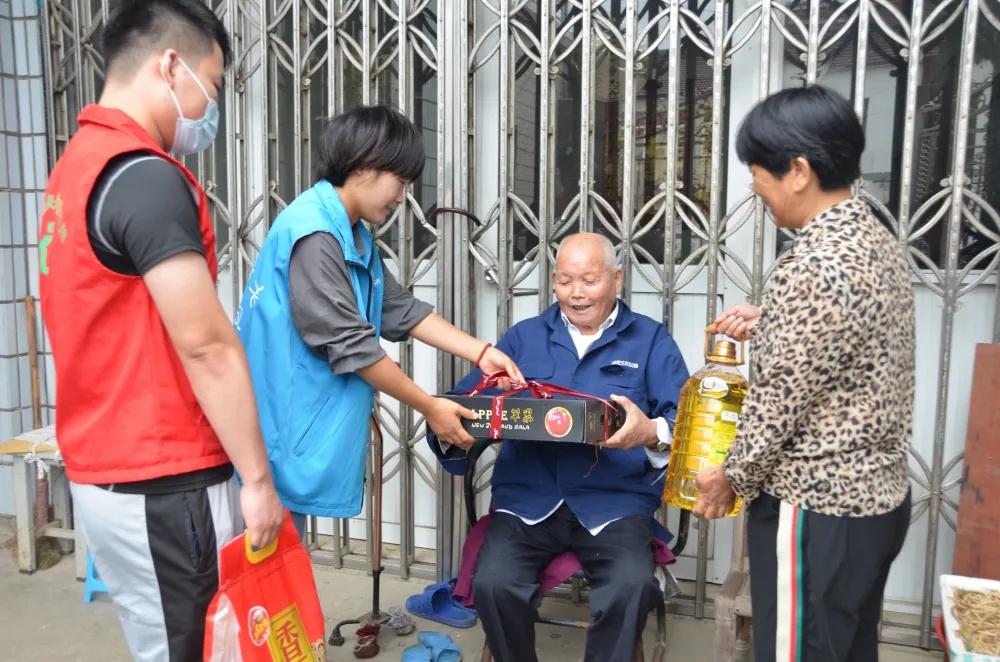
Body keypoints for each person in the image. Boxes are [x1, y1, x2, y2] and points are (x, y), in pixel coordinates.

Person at [37, 1, 284, 659]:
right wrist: (257, 482)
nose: (210, 107)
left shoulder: (74, 170)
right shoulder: (144, 177)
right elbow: (205, 345)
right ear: (170, 65)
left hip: (108, 468)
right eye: (212, 83)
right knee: (193, 647)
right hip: (163, 477)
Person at [695, 85, 914, 662]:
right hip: (877, 501)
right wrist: (774, 318)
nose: (755, 188)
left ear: (797, 170)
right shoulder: (873, 239)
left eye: (758, 174)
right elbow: (852, 337)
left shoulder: (812, 266)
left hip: (818, 510)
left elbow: (775, 407)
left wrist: (729, 477)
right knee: (844, 648)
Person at [235, 105, 523, 536]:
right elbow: (353, 347)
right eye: (400, 181)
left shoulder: (353, 232)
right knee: (261, 574)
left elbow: (399, 309)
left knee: (278, 571)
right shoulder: (313, 234)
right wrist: (430, 407)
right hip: (273, 425)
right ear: (365, 165)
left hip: (292, 424)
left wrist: (481, 353)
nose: (402, 196)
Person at [428, 233, 689, 662]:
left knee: (631, 585)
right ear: (553, 281)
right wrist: (449, 423)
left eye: (589, 279)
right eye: (565, 280)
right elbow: (461, 406)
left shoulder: (650, 340)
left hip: (615, 502)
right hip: (528, 499)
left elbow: (686, 424)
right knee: (493, 583)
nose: (576, 293)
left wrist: (649, 432)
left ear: (617, 279)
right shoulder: (524, 337)